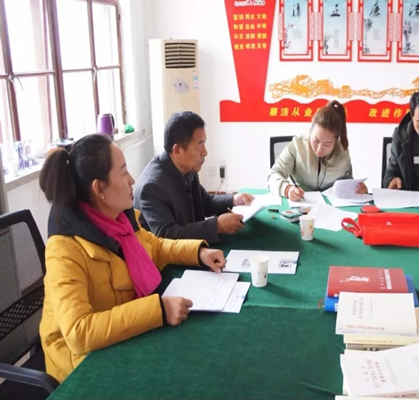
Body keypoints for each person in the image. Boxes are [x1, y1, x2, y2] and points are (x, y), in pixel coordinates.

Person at [38, 134, 226, 382]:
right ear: (99, 188)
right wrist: (158, 309)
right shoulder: (64, 249)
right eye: (124, 171)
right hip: (82, 369)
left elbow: (156, 247)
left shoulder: (120, 220)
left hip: (123, 340)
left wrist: (199, 253)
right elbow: (78, 332)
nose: (132, 180)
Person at [134, 112, 254, 244]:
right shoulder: (152, 187)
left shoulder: (187, 168)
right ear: (177, 151)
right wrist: (216, 226)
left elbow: (206, 203)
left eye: (204, 143)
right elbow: (167, 235)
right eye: (199, 145)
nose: (205, 152)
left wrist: (234, 200)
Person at [267, 100, 367, 201]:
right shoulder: (297, 146)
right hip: (302, 202)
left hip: (332, 205)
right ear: (311, 131)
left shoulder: (342, 152)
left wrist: (357, 188)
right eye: (316, 140)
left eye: (327, 144)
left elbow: (347, 182)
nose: (319, 149)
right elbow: (273, 175)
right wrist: (287, 189)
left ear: (336, 140)